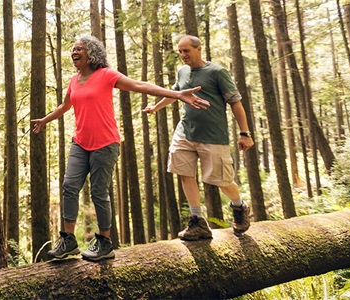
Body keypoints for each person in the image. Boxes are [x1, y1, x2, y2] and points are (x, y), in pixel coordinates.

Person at [31, 35, 209, 261]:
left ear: (92, 53)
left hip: (105, 144)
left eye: (79, 49)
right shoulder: (74, 80)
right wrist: (45, 120)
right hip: (80, 142)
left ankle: (104, 242)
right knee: (69, 186)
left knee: (98, 192)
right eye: (73, 49)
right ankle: (68, 239)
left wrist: (176, 94)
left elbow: (139, 85)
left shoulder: (106, 75)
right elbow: (66, 105)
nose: (74, 52)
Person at [143, 35, 254, 239]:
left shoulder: (217, 72)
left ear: (199, 49)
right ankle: (198, 221)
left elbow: (236, 102)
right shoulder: (182, 72)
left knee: (221, 180)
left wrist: (245, 133)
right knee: (185, 173)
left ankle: (239, 206)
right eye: (180, 52)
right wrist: (156, 107)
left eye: (187, 51)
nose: (183, 55)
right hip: (185, 132)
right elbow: (176, 94)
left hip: (213, 136)